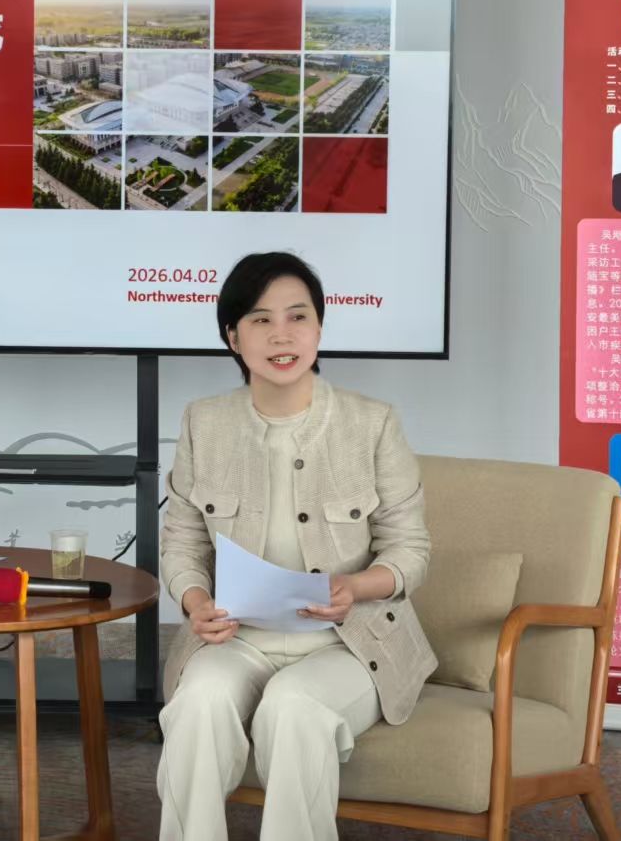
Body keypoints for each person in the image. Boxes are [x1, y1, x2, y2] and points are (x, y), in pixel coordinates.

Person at [157, 251, 434, 841]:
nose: (281, 335)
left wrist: (355, 586)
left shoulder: (373, 423)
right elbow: (182, 541)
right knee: (199, 703)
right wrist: (195, 601)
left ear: (319, 329)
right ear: (233, 337)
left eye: (297, 316)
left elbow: (410, 549)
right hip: (237, 638)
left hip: (349, 643)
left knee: (294, 706)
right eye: (260, 320)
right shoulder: (203, 423)